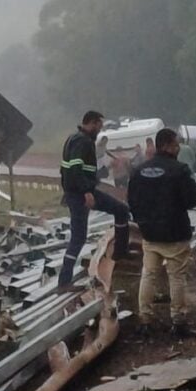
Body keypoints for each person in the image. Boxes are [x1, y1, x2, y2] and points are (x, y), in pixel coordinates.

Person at [128, 128, 196, 339]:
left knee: (148, 275)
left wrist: (143, 222)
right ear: (167, 145)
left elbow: (132, 201)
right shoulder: (180, 170)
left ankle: (145, 320)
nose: (178, 147)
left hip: (150, 233)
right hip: (176, 232)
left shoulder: (138, 171)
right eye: (176, 144)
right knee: (176, 277)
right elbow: (193, 200)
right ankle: (178, 323)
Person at [58, 111, 130, 290]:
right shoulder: (83, 142)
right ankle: (119, 255)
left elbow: (83, 172)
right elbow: (75, 170)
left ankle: (64, 280)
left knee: (79, 236)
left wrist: (106, 169)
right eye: (99, 126)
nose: (100, 130)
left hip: (77, 193)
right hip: (81, 194)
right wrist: (86, 192)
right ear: (91, 123)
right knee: (120, 211)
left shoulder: (74, 139)